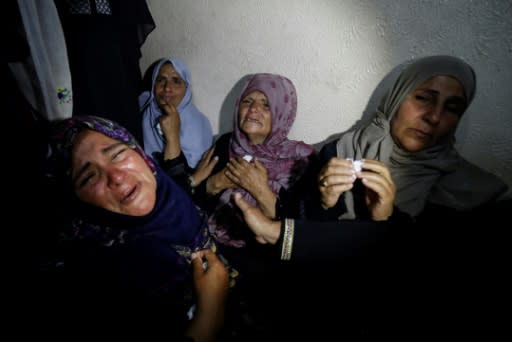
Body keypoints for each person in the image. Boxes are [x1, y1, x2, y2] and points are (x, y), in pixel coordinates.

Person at [43, 115, 230, 339]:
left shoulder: (171, 195)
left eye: (117, 154)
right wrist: (210, 315)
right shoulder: (95, 278)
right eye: (89, 177)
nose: (117, 177)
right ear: (77, 201)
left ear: (140, 154)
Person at [318, 55, 509, 221]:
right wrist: (325, 203)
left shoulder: (474, 194)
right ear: (396, 98)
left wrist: (387, 219)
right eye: (423, 98)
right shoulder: (339, 153)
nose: (434, 117)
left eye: (452, 108)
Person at [140, 57, 213, 169]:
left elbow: (189, 178)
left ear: (186, 89)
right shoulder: (146, 115)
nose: (167, 88)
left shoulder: (198, 125)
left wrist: (172, 136)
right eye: (161, 80)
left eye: (176, 81)